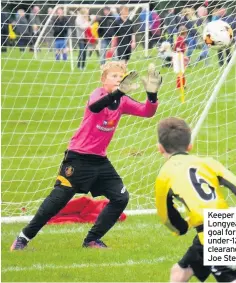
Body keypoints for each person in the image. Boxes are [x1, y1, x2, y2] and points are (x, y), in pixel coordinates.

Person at [10, 61, 162, 251]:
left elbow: (147, 112)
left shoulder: (122, 101)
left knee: (121, 198)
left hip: (99, 160)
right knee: (57, 202)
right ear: (103, 79)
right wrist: (119, 92)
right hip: (78, 158)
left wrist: (152, 94)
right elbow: (95, 107)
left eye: (120, 76)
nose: (117, 79)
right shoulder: (98, 94)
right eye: (113, 76)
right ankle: (22, 239)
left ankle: (92, 240)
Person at [155, 117, 236, 282]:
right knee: (179, 272)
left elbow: (166, 215)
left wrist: (180, 228)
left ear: (160, 148)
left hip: (216, 237)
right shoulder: (207, 163)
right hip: (218, 227)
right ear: (189, 146)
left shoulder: (164, 177)